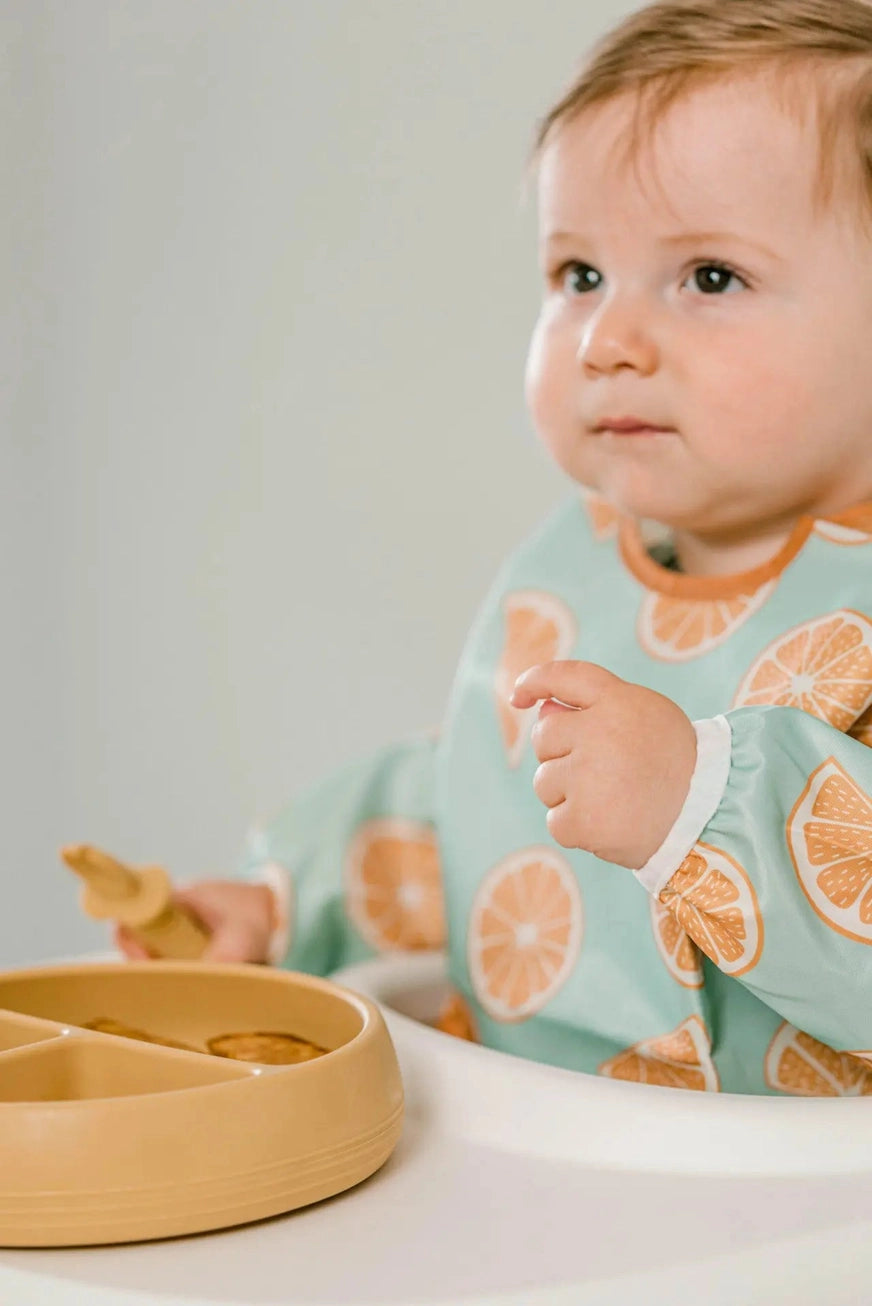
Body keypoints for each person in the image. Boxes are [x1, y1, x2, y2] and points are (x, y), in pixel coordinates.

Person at [119, 0, 872, 1095]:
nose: (607, 340)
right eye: (577, 275)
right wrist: (290, 901)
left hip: (786, 1210)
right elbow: (476, 799)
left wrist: (700, 801)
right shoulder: (573, 566)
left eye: (709, 276)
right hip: (526, 1136)